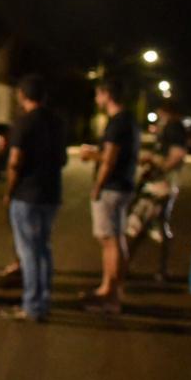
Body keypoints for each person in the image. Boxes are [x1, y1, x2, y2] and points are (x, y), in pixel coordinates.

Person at [1, 74, 67, 322]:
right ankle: (43, 300)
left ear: (22, 95)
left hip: (27, 195)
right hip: (51, 194)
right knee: (44, 249)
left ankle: (31, 305)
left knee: (28, 251)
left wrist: (9, 191)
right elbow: (62, 159)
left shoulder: (24, 123)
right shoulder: (58, 123)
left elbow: (15, 161)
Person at [78, 76, 139, 313]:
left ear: (107, 94)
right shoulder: (130, 121)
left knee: (108, 241)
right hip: (124, 186)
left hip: (111, 188)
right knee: (117, 239)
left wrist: (96, 183)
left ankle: (110, 296)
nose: (96, 99)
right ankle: (111, 289)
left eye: (98, 94)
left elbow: (110, 159)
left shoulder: (116, 123)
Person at [138, 98, 189, 281]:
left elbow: (176, 156)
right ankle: (161, 268)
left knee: (145, 223)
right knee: (148, 223)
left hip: (163, 185)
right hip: (161, 183)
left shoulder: (174, 128)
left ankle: (162, 268)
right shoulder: (172, 127)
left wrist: (155, 161)